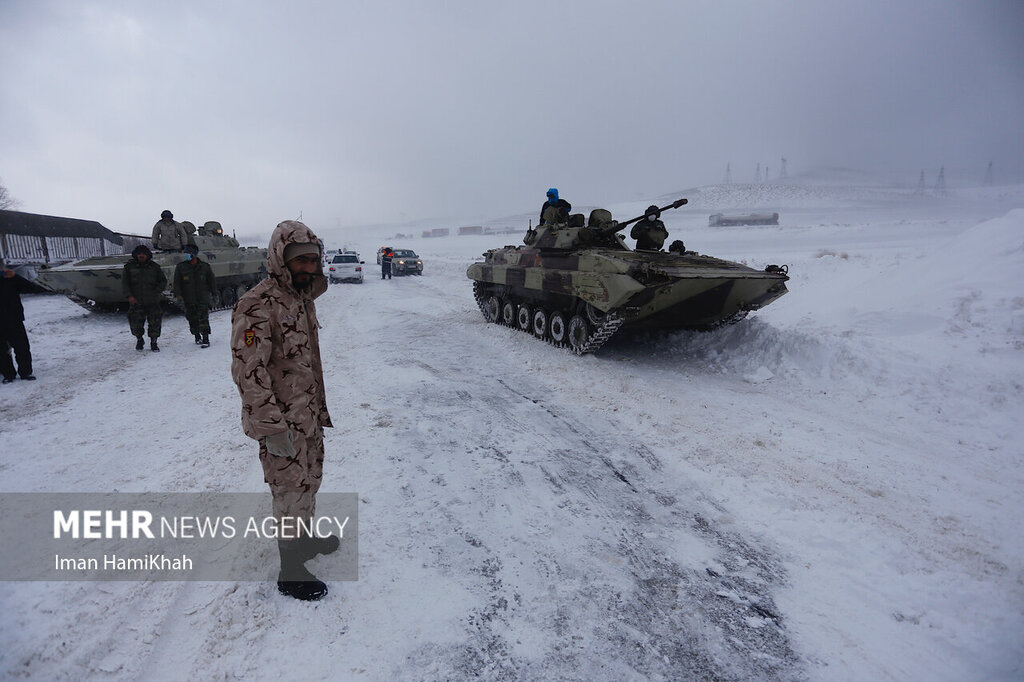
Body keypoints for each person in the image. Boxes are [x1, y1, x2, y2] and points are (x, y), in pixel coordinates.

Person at [230, 220, 337, 602]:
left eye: (313, 260)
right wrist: (271, 427)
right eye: (301, 261)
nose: (309, 267)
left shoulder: (300, 298)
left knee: (309, 479)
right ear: (281, 258)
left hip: (307, 412)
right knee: (289, 490)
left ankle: (304, 541)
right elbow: (249, 373)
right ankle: (290, 568)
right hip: (281, 421)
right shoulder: (257, 305)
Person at [122, 244, 167, 352]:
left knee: (155, 323)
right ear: (136, 255)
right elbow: (125, 283)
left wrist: (157, 291)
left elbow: (163, 281)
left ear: (147, 255)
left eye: (143, 254)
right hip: (136, 300)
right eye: (139, 254)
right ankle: (139, 339)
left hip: (152, 300)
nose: (141, 256)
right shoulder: (129, 267)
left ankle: (154, 341)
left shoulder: (154, 267)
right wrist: (129, 296)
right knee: (135, 323)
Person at [173, 244, 217, 347]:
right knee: (192, 318)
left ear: (194, 254)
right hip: (188, 298)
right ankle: (197, 336)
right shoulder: (181, 267)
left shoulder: (204, 267)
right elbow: (177, 283)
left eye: (188, 253)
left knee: (203, 318)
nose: (186, 255)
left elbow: (211, 282)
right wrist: (178, 296)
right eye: (186, 253)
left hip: (202, 297)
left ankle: (205, 338)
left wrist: (214, 294)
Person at [0, 259, 35, 384]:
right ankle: (8, 374)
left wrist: (15, 277)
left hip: (14, 319)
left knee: (22, 348)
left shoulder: (11, 279)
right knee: (2, 352)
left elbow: (31, 288)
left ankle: (25, 372)